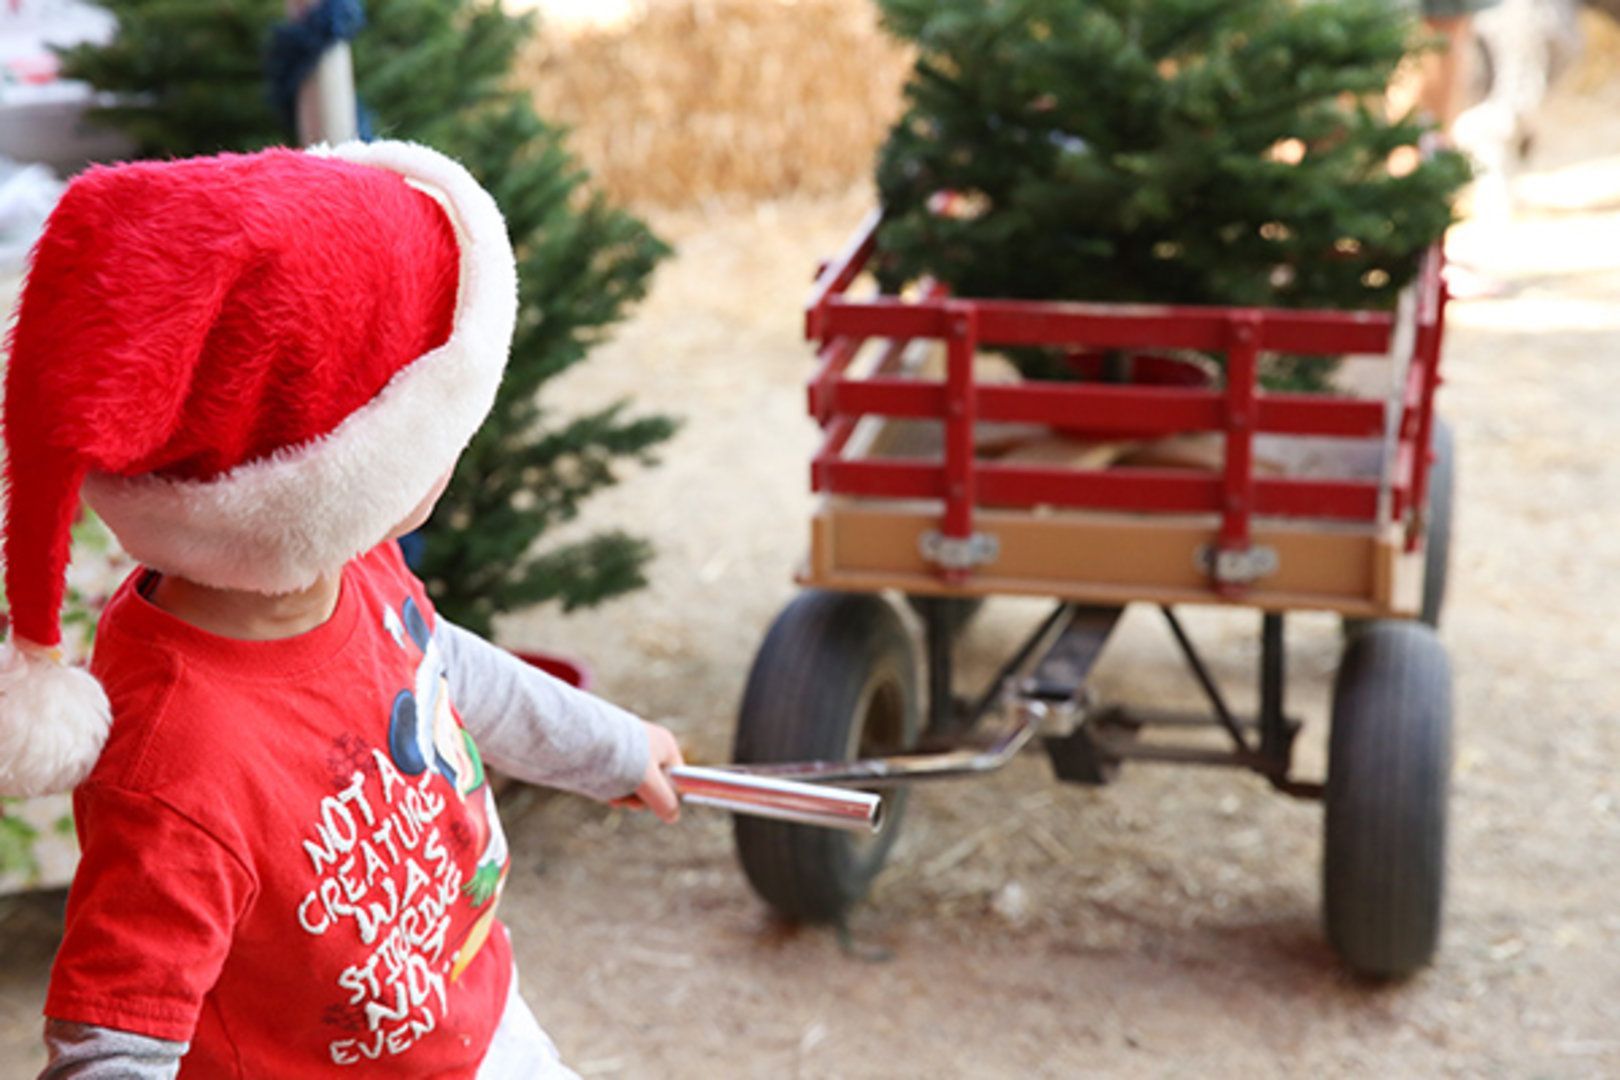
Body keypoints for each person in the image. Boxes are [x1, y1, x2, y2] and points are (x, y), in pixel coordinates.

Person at [0, 141, 684, 1077]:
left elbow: (440, 668)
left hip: (474, 1017)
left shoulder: (348, 568)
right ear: (334, 472)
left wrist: (608, 746)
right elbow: (111, 1044)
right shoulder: (175, 759)